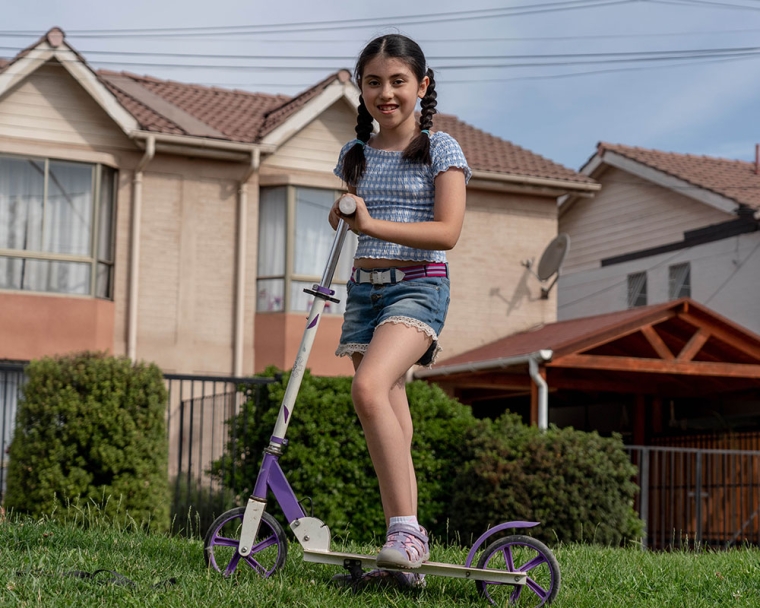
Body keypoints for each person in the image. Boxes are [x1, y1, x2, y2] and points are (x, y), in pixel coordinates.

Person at [328, 33, 470, 588]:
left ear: (422, 86)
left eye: (397, 81)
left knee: (367, 390)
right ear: (360, 88)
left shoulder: (441, 149)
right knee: (390, 412)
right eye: (373, 82)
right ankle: (403, 544)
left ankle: (407, 534)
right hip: (364, 292)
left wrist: (367, 223)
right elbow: (353, 215)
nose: (385, 93)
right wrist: (342, 216)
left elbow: (447, 231)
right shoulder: (355, 154)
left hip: (418, 286)